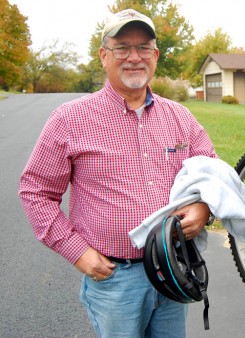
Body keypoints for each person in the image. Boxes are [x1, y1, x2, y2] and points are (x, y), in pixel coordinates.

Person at [18, 8, 216, 338]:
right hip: (115, 281)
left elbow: (212, 173)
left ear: (155, 55)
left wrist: (204, 207)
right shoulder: (70, 119)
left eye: (143, 48)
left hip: (172, 268)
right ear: (103, 55)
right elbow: (35, 190)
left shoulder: (180, 117)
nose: (133, 57)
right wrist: (75, 250)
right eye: (122, 47)